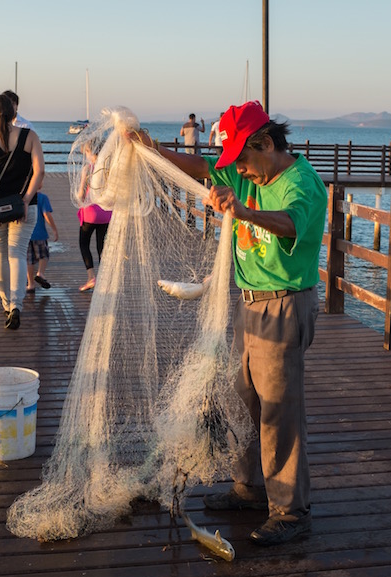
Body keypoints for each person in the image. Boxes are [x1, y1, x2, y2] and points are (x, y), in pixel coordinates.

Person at [134, 100, 326, 546]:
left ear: (265, 143)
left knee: (280, 409)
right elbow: (200, 166)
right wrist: (153, 150)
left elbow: (290, 224)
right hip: (249, 300)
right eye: (235, 162)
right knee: (245, 400)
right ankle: (249, 488)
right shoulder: (243, 167)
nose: (241, 170)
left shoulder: (303, 183)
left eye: (245, 159)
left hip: (284, 304)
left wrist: (245, 212)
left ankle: (291, 512)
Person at [0, 94, 45, 330]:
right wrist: (25, 200)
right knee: (16, 253)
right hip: (25, 208)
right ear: (13, 113)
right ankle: (16, 306)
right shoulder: (30, 137)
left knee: (0, 254)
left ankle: (6, 306)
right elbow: (39, 172)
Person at [76, 139, 112, 292]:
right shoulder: (109, 168)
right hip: (106, 213)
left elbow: (80, 194)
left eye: (86, 153)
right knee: (101, 246)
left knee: (84, 243)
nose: (86, 156)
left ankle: (91, 277)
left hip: (90, 213)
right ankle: (105, 281)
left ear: (91, 152)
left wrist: (79, 200)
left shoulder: (88, 169)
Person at [26, 192, 58, 293]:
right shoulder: (42, 197)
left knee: (29, 260)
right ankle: (40, 272)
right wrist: (54, 230)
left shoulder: (22, 197)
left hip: (26, 234)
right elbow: (46, 214)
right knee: (44, 255)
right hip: (40, 234)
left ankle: (31, 284)